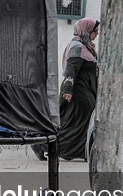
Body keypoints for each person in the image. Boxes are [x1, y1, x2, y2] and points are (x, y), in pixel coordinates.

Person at [35, 17, 100, 161]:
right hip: (77, 92)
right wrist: (67, 90)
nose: (96, 34)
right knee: (75, 122)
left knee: (74, 124)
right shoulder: (78, 47)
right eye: (94, 31)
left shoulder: (86, 47)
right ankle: (42, 144)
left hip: (84, 91)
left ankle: (79, 151)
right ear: (86, 31)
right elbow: (71, 70)